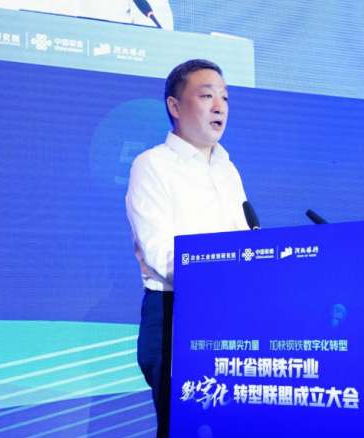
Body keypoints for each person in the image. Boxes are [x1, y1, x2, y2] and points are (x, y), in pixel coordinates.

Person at [125, 59, 249, 438]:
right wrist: (221, 280)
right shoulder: (152, 165)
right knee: (185, 426)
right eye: (207, 96)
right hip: (174, 314)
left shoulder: (227, 169)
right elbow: (160, 251)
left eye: (225, 97)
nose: (219, 106)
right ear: (175, 106)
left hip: (231, 313)